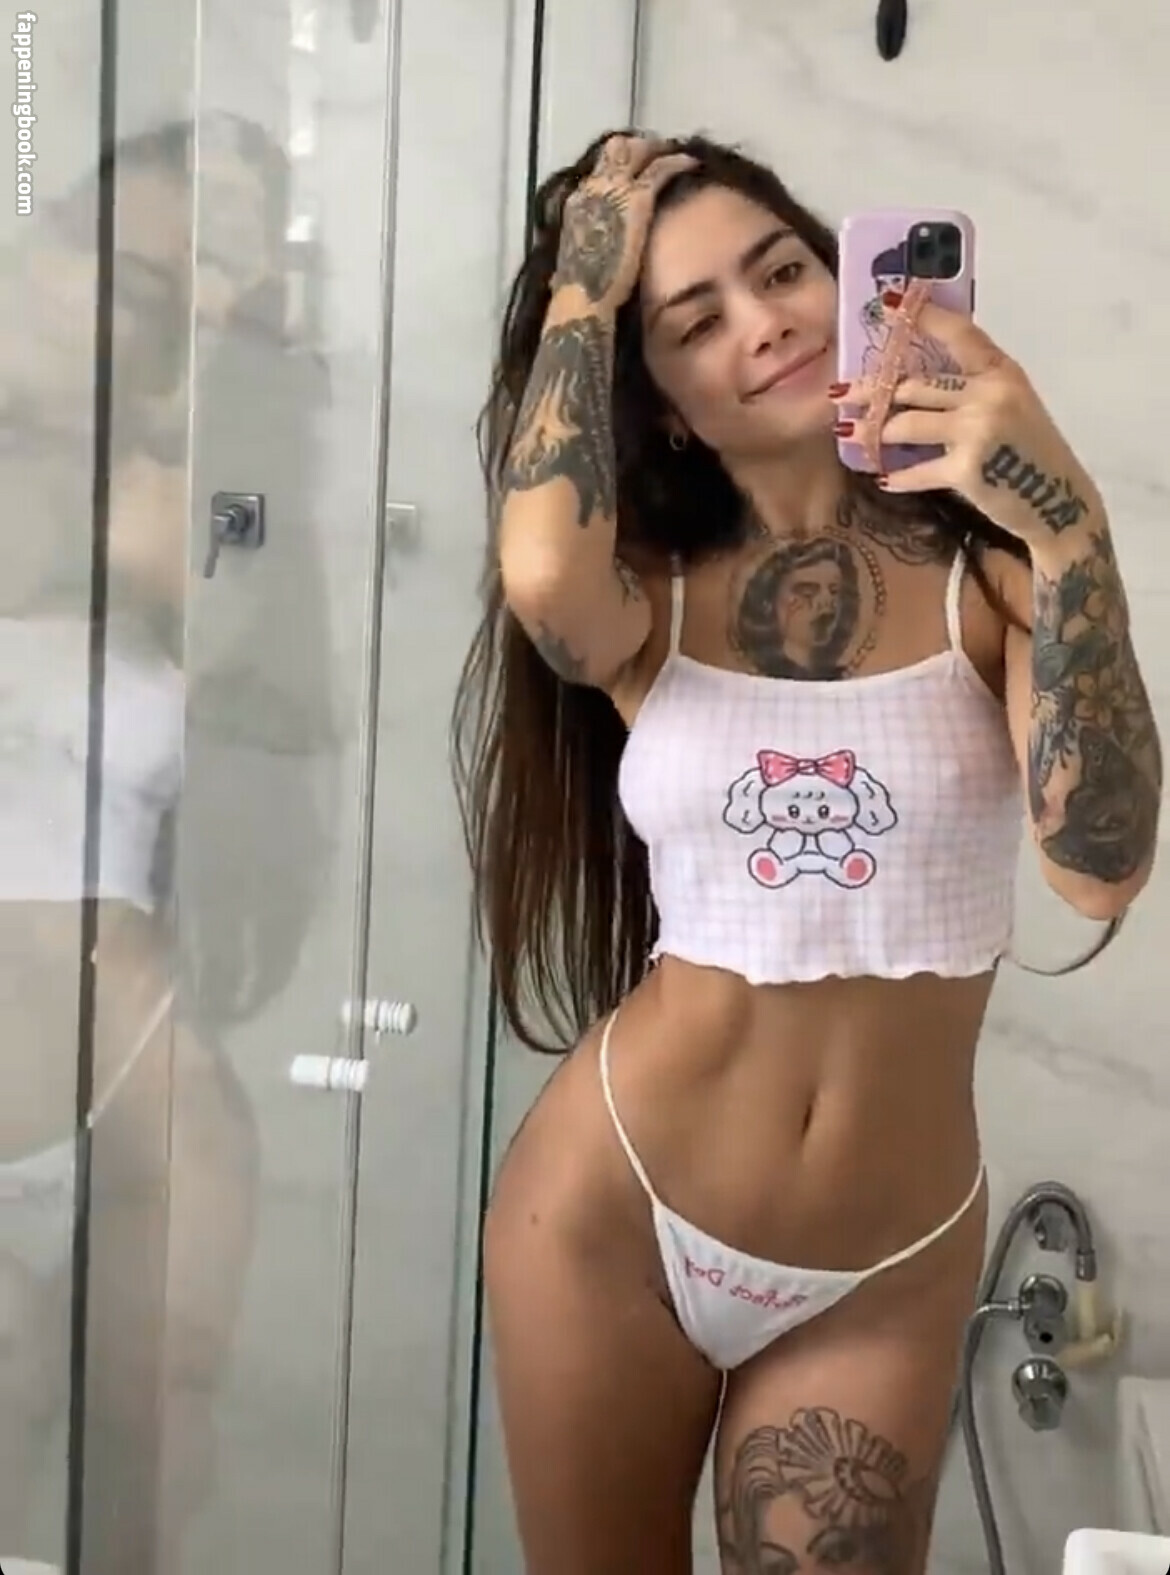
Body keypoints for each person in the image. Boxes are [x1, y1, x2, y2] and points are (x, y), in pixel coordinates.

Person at [453, 130, 1162, 1574]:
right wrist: (589, 270)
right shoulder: (641, 598)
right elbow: (536, 572)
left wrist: (1067, 523)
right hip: (613, 1217)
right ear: (658, 406)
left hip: (882, 1265)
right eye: (694, 320)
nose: (763, 320)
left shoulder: (986, 578)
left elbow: (1099, 864)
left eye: (781, 271)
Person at [0, 115, 334, 1570]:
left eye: (203, 281)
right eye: (128, 267)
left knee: (141, 1488)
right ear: (38, 245)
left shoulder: (198, 494)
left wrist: (234, 411)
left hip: (145, 1082)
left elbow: (267, 716)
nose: (156, 307)